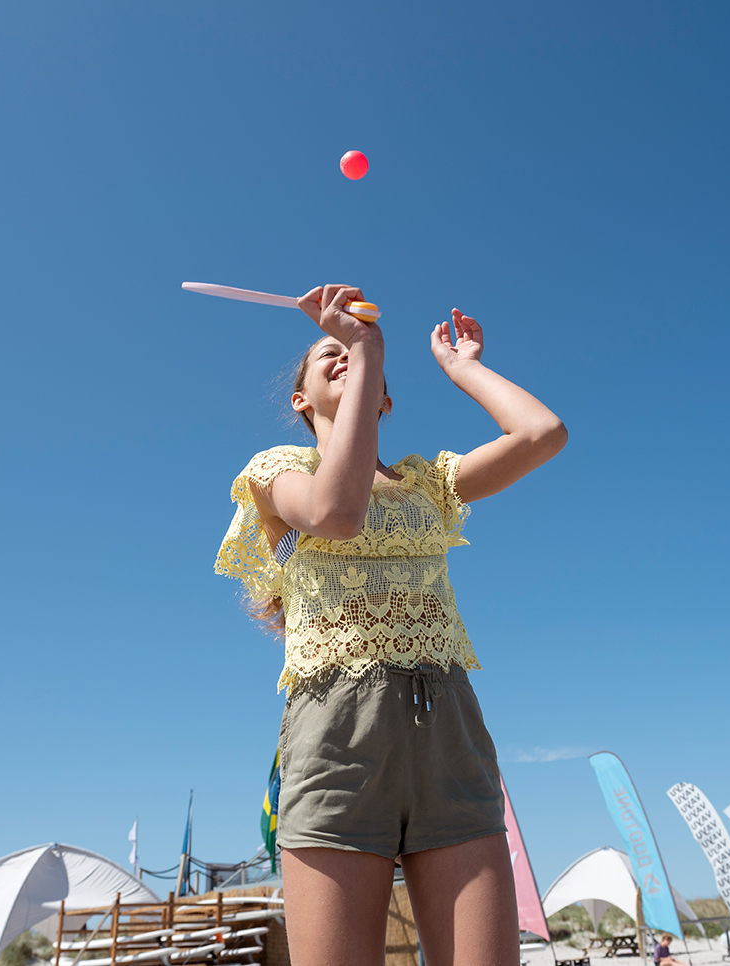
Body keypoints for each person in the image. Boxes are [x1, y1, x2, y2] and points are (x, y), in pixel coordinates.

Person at [215, 284, 567, 966]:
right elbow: (336, 514)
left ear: (384, 399)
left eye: (357, 358)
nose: (344, 353)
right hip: (338, 731)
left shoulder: (428, 483)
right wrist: (366, 343)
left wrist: (463, 368)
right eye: (329, 352)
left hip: (450, 728)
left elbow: (541, 434)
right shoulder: (278, 471)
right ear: (301, 401)